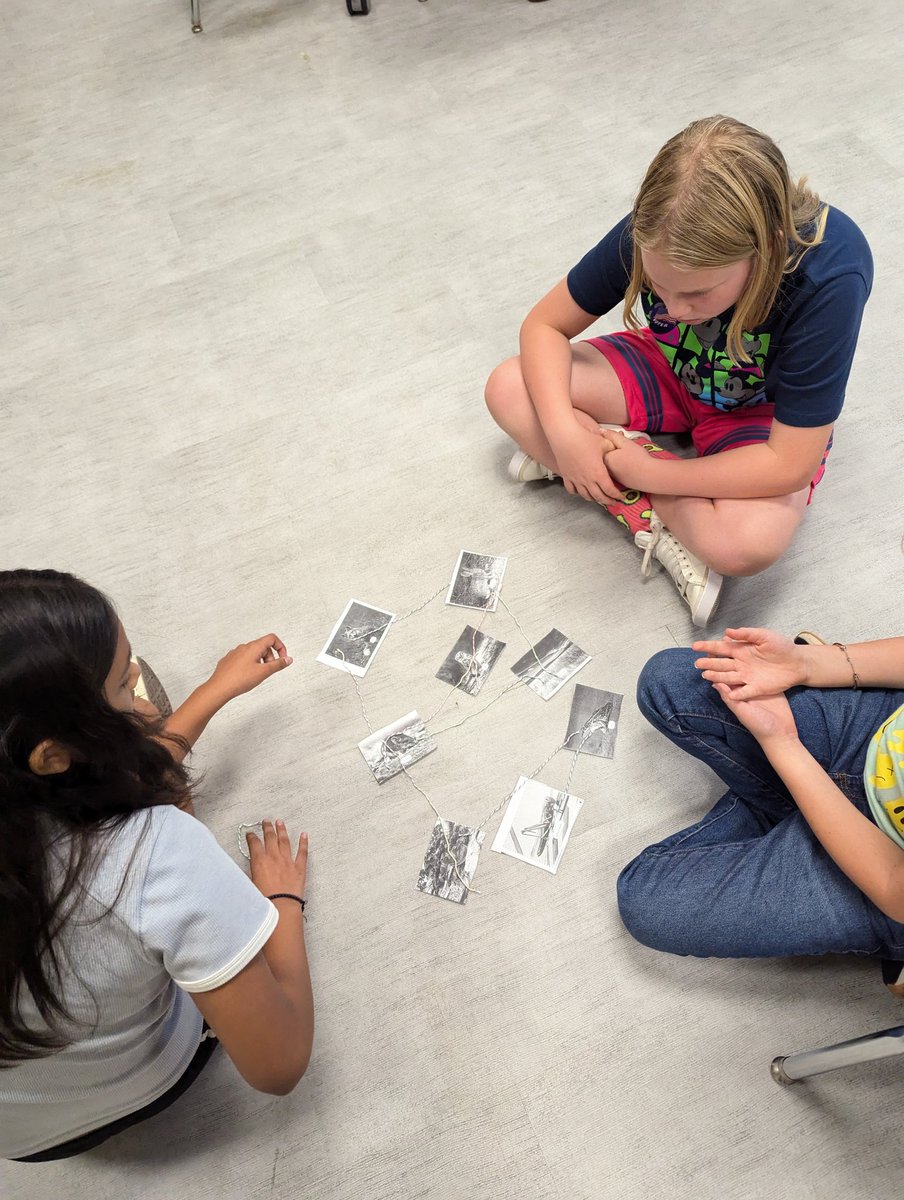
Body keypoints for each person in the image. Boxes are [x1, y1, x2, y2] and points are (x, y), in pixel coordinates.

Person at [484, 116, 873, 625]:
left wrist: (648, 470)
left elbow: (789, 463)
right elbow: (544, 326)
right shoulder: (662, 228)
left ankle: (616, 478)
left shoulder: (832, 274)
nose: (673, 306)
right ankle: (649, 505)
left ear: (767, 247)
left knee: (744, 545)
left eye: (696, 293)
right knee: (509, 387)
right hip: (672, 367)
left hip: (760, 411)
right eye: (658, 287)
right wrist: (564, 432)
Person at [0, 569, 313, 1162]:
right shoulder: (160, 853)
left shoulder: (25, 780)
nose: (139, 686)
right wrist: (280, 906)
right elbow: (281, 1064)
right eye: (122, 684)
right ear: (54, 756)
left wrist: (212, 692)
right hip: (130, 1094)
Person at [617, 627, 904, 996]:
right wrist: (806, 663)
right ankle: (790, 811)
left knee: (646, 900)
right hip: (881, 728)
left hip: (886, 868)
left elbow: (894, 886)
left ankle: (785, 807)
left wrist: (781, 743)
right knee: (670, 681)